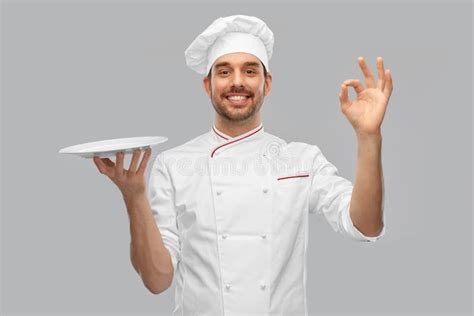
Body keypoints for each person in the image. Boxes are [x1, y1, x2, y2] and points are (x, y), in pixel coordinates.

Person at [93, 14, 393, 316]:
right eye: (224, 72)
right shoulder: (174, 165)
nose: (237, 81)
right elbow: (157, 280)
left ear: (267, 83)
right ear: (208, 84)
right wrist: (134, 197)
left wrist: (369, 137)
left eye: (250, 71)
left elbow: (366, 225)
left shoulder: (301, 160)